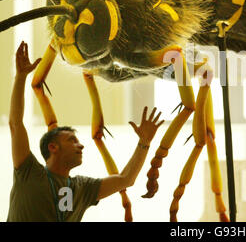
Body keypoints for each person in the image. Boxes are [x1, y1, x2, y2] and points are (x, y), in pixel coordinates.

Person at [7, 41, 164, 222]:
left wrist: (144, 142)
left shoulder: (82, 187)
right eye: (72, 140)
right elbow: (16, 124)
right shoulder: (28, 171)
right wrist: (20, 77)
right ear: (53, 147)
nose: (80, 145)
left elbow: (125, 179)